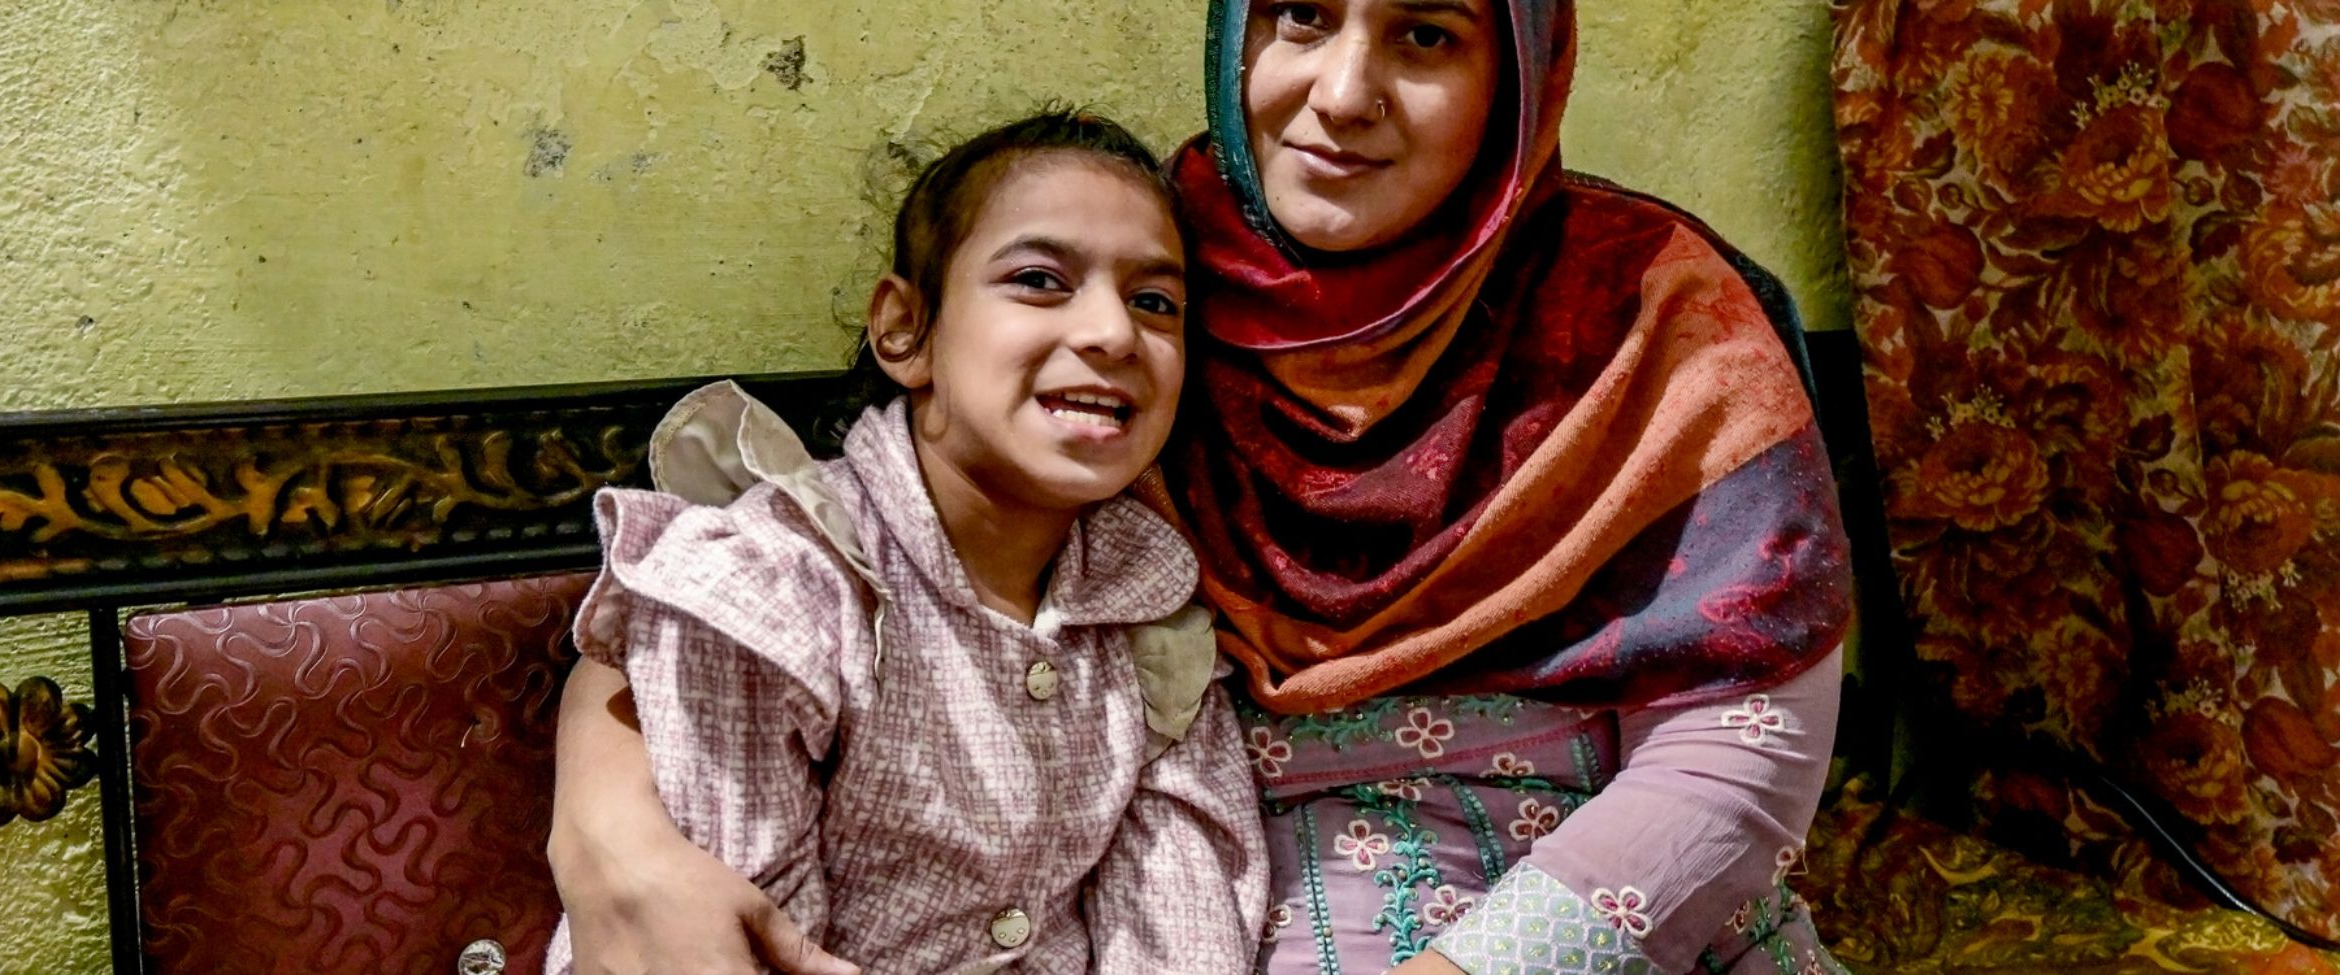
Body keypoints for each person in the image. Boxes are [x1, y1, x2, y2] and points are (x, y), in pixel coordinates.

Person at [547, 1, 1855, 972]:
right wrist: (613, 841)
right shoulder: (1145, 284)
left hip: (1637, 925)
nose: (1343, 94)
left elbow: (1740, 765)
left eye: (1426, 35)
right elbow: (767, 590)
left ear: (1519, 80)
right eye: (1300, 15)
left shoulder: (1653, 316)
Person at [541, 110, 1268, 975]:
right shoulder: (781, 585)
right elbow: (728, 943)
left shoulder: (1150, 623)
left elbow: (1183, 928)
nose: (1113, 333)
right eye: (1040, 279)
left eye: (1155, 301)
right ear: (905, 329)